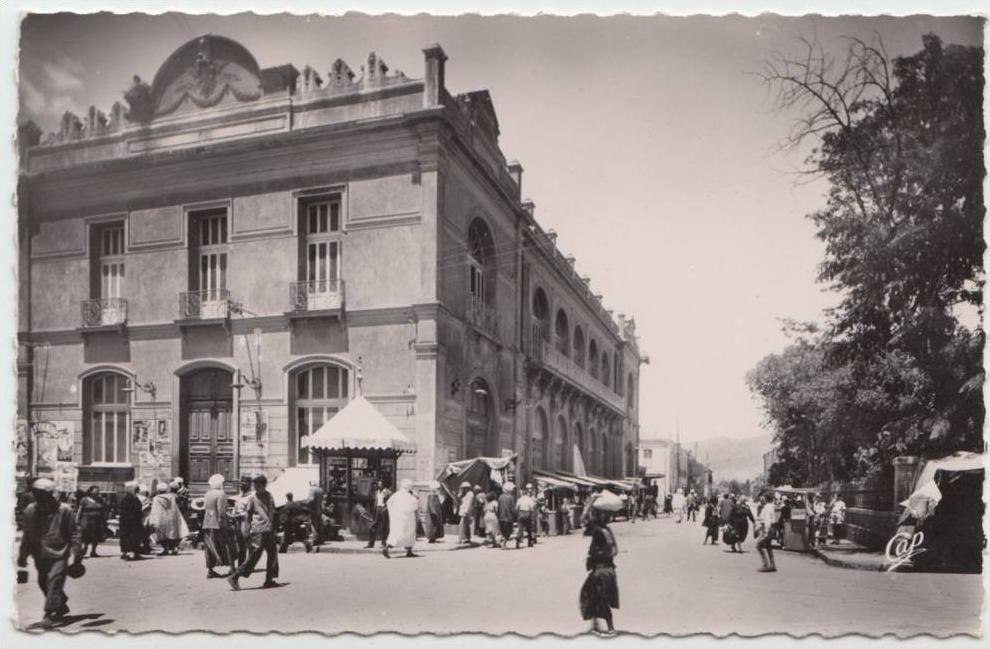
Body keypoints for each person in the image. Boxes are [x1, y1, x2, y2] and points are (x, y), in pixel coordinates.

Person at [17, 478, 84, 626]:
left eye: (41, 493)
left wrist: (77, 553)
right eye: (35, 493)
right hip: (39, 554)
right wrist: (23, 555)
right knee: (43, 582)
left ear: (49, 494)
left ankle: (50, 613)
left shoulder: (64, 509)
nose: (37, 496)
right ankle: (60, 604)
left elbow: (74, 533)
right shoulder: (30, 511)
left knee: (54, 580)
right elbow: (27, 535)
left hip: (60, 553)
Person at [228, 474, 280, 590]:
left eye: (259, 486)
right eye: (255, 486)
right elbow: (248, 515)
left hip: (269, 529)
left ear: (264, 485)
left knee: (273, 554)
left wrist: (274, 526)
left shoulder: (269, 496)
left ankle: (269, 579)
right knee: (254, 555)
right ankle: (235, 576)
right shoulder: (252, 498)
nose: (256, 488)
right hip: (258, 530)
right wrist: (246, 530)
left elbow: (273, 511)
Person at [580, 493, 620, 637]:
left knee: (596, 597)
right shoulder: (607, 530)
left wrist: (590, 502)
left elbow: (583, 520)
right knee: (594, 596)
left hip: (601, 570)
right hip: (607, 569)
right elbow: (615, 550)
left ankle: (609, 628)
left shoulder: (598, 529)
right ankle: (598, 626)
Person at [202, 474, 235, 578]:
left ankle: (210, 570)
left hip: (208, 521)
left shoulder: (208, 493)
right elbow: (221, 511)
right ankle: (232, 568)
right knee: (227, 545)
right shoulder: (221, 493)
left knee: (210, 546)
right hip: (218, 522)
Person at [149, 482, 188, 555]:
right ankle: (172, 549)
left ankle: (165, 549)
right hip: (171, 518)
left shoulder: (156, 498)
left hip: (161, 518)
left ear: (158, 490)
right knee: (172, 534)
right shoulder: (171, 497)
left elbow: (154, 510)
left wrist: (153, 520)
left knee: (162, 534)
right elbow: (174, 508)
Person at [383, 479, 420, 559]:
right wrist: (416, 498)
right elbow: (414, 505)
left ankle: (388, 547)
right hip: (408, 519)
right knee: (409, 533)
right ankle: (408, 551)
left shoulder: (397, 494)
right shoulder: (409, 496)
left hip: (397, 518)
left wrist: (394, 512)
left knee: (396, 534)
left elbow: (389, 503)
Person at [76, 486, 106, 558]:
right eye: (95, 491)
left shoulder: (100, 500)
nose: (97, 492)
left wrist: (104, 519)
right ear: (90, 491)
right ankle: (85, 548)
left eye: (98, 491)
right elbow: (80, 510)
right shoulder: (84, 500)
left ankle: (93, 551)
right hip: (86, 520)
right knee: (86, 535)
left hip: (97, 520)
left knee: (95, 536)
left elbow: (103, 510)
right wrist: (77, 519)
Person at [118, 481, 145, 561]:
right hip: (128, 522)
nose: (138, 489)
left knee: (134, 537)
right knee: (128, 537)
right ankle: (127, 553)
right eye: (137, 488)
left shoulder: (134, 497)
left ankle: (134, 552)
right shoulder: (128, 498)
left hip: (134, 521)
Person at [232, 476, 253, 565]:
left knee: (248, 544)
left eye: (243, 484)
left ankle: (249, 565)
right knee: (240, 545)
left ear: (249, 484)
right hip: (238, 522)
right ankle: (241, 564)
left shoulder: (252, 496)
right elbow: (236, 507)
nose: (241, 486)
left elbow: (252, 511)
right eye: (240, 484)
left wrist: (241, 515)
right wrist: (233, 513)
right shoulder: (240, 495)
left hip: (246, 522)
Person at [755, 493, 778, 573]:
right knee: (768, 546)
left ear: (766, 498)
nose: (762, 499)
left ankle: (765, 565)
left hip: (766, 529)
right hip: (769, 528)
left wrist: (766, 532)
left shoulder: (768, 507)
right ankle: (772, 564)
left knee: (758, 546)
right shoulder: (770, 506)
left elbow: (767, 520)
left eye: (763, 497)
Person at [366, 480, 392, 549]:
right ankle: (371, 543)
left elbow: (390, 500)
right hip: (378, 509)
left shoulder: (387, 491)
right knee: (373, 526)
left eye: (381, 484)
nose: (379, 485)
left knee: (384, 527)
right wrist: (374, 510)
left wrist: (386, 507)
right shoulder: (377, 492)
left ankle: (383, 543)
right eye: (379, 484)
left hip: (384, 509)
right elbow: (376, 501)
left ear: (383, 485)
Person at [515, 484, 538, 548]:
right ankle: (529, 542)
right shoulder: (529, 499)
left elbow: (517, 507)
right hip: (527, 514)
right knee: (529, 529)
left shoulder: (519, 499)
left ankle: (518, 540)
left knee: (520, 529)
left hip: (521, 513)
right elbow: (532, 508)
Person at [497, 482, 516, 550]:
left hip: (501, 517)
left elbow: (498, 508)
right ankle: (504, 544)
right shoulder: (511, 497)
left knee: (503, 531)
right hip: (508, 517)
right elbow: (513, 509)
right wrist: (515, 515)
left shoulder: (500, 497)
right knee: (508, 532)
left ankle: (501, 542)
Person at [308, 481, 326, 545]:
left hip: (314, 510)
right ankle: (321, 539)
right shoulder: (321, 490)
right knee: (319, 524)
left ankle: (315, 539)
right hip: (319, 509)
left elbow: (311, 500)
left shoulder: (312, 489)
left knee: (313, 524)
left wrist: (308, 506)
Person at [137, 484, 153, 555]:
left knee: (143, 534)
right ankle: (146, 547)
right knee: (145, 534)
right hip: (145, 517)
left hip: (142, 517)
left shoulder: (140, 498)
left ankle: (144, 547)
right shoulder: (145, 499)